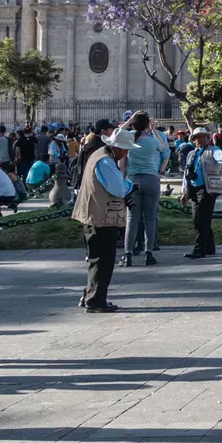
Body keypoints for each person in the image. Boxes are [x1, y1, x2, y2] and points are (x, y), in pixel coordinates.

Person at [73, 127, 137, 312]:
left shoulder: (99, 155)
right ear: (118, 148)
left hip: (96, 214)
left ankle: (90, 295)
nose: (126, 153)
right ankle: (95, 300)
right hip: (102, 216)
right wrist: (130, 185)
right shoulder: (105, 161)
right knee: (103, 260)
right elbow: (117, 188)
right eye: (126, 149)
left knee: (96, 259)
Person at [121, 111, 168, 267]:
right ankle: (149, 252)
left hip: (133, 180)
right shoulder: (152, 141)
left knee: (132, 219)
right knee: (150, 217)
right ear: (148, 124)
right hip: (151, 179)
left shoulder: (128, 139)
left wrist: (129, 121)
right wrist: (153, 130)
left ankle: (127, 254)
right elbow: (163, 147)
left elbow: (117, 134)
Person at [183, 129, 222, 260]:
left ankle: (199, 249)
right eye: (197, 137)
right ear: (194, 140)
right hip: (194, 190)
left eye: (203, 137)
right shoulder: (191, 154)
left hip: (208, 189)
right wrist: (184, 192)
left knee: (202, 220)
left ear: (207, 139)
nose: (200, 139)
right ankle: (209, 247)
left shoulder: (213, 151)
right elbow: (186, 175)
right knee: (200, 220)